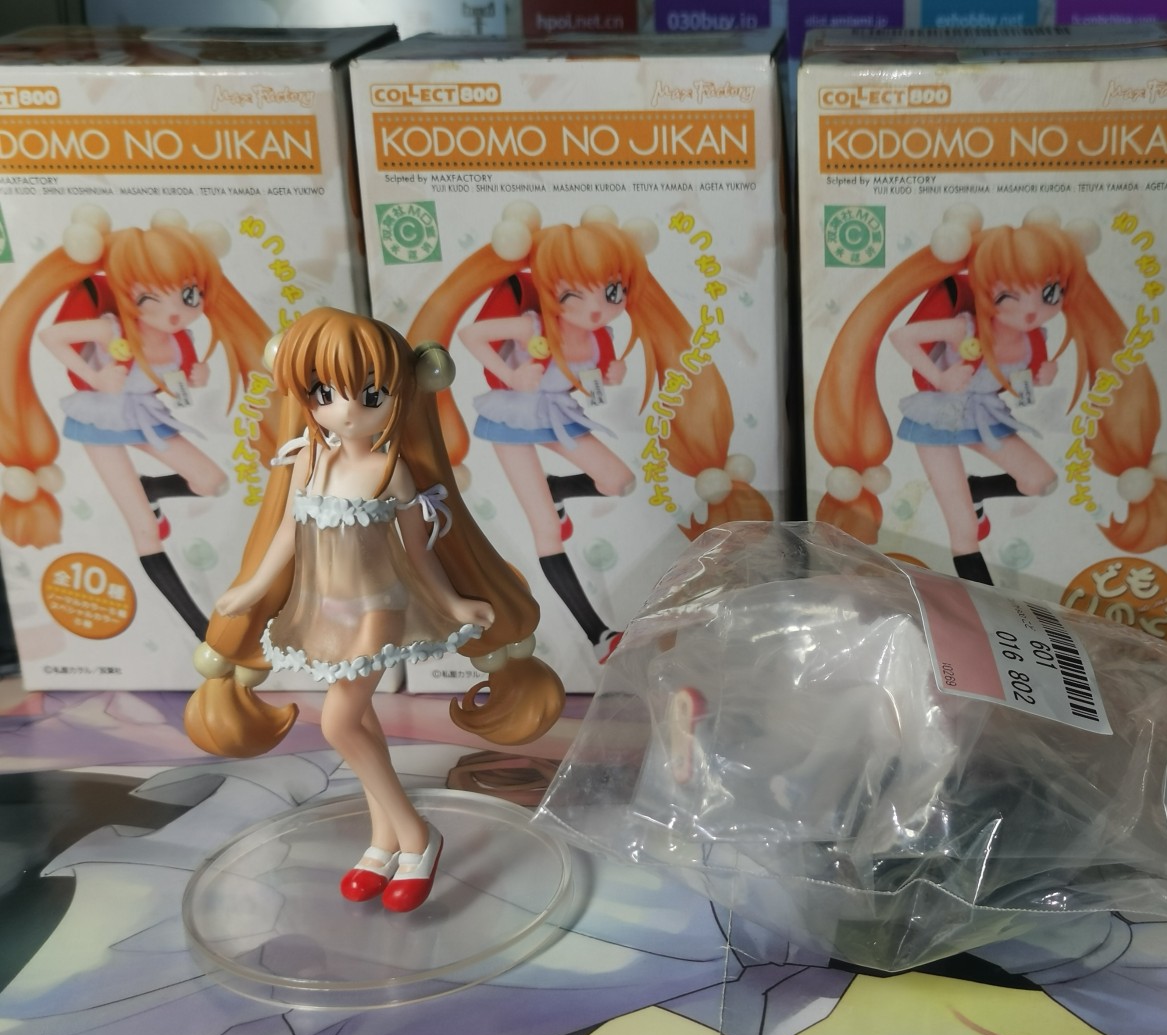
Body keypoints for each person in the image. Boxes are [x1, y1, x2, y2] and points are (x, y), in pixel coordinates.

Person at [185, 308, 564, 911]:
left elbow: (419, 551)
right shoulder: (307, 461)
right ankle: (381, 843)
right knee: (360, 720)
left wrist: (452, 600)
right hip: (323, 610)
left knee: (338, 723)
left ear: (397, 395)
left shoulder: (392, 471)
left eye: (369, 395)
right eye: (324, 393)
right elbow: (286, 533)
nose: (345, 411)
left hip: (377, 610)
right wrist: (253, 588)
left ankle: (417, 836)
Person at [409, 203, 771, 662]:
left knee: (619, 480)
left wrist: (613, 372)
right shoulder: (533, 324)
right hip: (513, 418)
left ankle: (558, 488)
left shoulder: (599, 336)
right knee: (546, 529)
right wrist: (510, 373)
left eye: (612, 291)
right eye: (574, 294)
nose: (597, 307)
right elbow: (471, 335)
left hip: (558, 414)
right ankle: (598, 634)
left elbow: (593, 377)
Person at [814, 205, 1167, 584]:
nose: (1031, 310)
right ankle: (984, 607)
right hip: (938, 417)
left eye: (1049, 293)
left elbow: (1021, 383)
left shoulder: (1034, 339)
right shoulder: (965, 328)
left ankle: (977, 488)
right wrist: (939, 376)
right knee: (963, 531)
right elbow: (902, 337)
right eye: (1010, 294)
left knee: (1041, 480)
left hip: (984, 414)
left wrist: (1043, 376)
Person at [0, 206, 272, 637]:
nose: (174, 311)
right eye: (150, 297)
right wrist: (94, 377)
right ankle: (201, 629)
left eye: (188, 294)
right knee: (145, 530)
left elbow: (176, 381)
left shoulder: (182, 339)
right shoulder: (111, 329)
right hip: (100, 419)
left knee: (212, 481)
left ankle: (152, 488)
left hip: (145, 415)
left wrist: (196, 375)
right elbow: (52, 337)